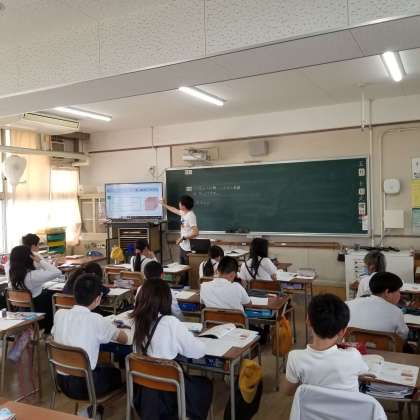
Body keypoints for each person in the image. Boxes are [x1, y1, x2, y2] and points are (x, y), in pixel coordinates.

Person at [131, 279, 212, 420]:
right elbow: (198, 352)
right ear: (165, 299)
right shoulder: (170, 322)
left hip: (143, 393)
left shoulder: (135, 321)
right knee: (205, 385)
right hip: (169, 394)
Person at [52, 273, 127, 410]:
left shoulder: (59, 314)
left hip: (61, 381)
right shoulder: (97, 320)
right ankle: (96, 411)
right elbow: (124, 338)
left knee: (105, 367)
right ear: (98, 299)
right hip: (86, 386)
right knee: (124, 374)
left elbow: (55, 334)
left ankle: (93, 411)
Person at [283, 294, 368, 396]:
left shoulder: (295, 357)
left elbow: (289, 391)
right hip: (345, 407)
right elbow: (364, 372)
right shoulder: (353, 355)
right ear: (343, 331)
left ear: (308, 320)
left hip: (311, 406)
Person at [9, 245, 61, 333]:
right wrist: (40, 260)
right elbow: (57, 272)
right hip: (37, 312)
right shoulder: (32, 275)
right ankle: (51, 330)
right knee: (53, 296)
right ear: (29, 258)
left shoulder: (12, 274)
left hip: (21, 311)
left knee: (46, 293)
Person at [347, 272, 409, 340]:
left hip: (351, 345)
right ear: (387, 292)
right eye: (398, 291)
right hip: (384, 346)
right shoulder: (396, 312)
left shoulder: (348, 305)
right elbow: (403, 336)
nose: (400, 295)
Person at [160, 195, 198, 285]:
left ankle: (187, 286)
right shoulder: (184, 213)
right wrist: (164, 204)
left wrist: (183, 238)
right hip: (183, 246)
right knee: (182, 268)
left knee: (187, 270)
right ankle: (183, 286)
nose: (179, 204)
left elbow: (196, 232)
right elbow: (174, 210)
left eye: (180, 203)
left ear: (184, 206)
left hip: (188, 248)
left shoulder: (191, 216)